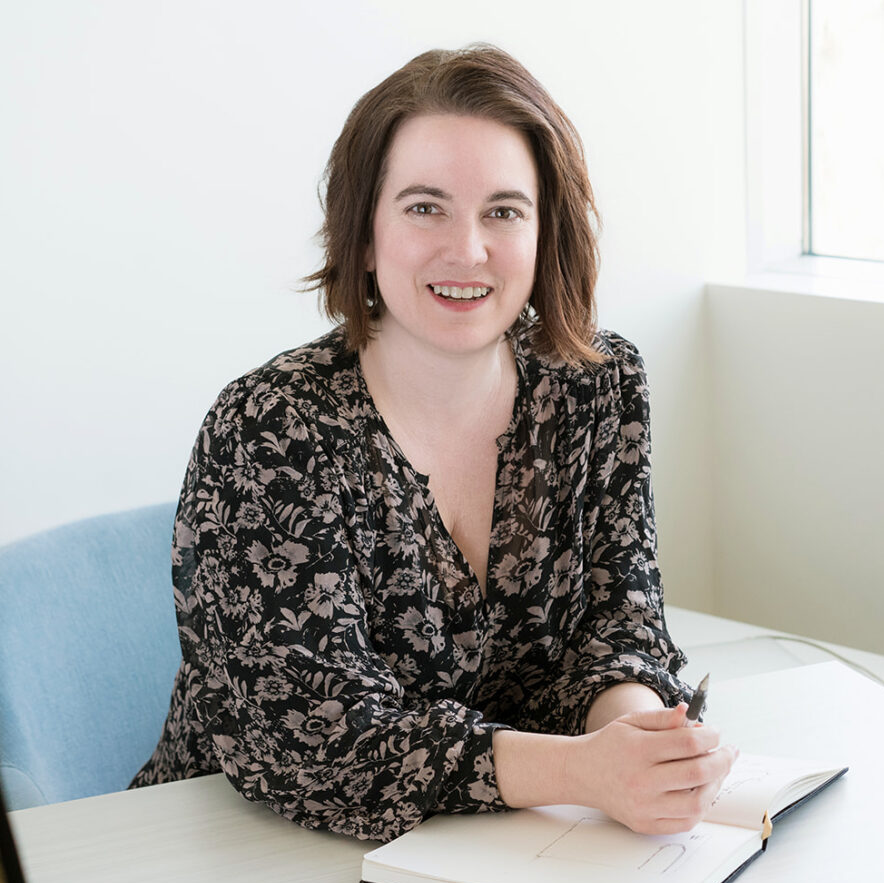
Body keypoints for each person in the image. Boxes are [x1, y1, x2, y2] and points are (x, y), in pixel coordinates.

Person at [131, 44, 738, 842]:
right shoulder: (269, 428)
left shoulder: (598, 382)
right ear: (364, 227)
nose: (468, 250)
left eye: (503, 210)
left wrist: (637, 741)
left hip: (498, 848)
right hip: (238, 853)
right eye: (426, 207)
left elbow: (618, 624)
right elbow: (318, 742)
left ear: (544, 228)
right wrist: (583, 772)